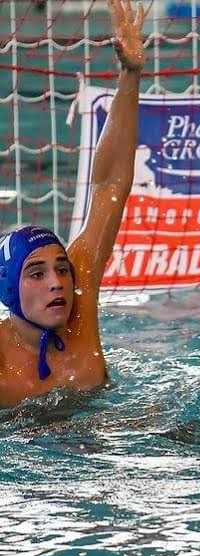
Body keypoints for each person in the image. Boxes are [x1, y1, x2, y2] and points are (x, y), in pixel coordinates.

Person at [0, 0, 145, 408]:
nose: (57, 282)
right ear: (8, 288)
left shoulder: (80, 296)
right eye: (36, 273)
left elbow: (110, 185)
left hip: (107, 431)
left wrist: (131, 75)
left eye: (62, 268)